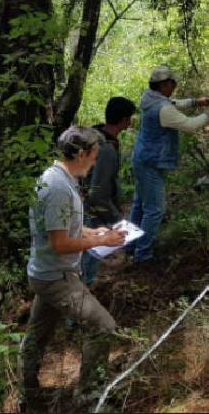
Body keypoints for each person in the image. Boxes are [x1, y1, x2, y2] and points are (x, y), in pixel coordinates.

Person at [20, 127, 128, 410]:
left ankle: (27, 393)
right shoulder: (58, 188)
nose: (94, 163)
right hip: (57, 276)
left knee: (37, 335)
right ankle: (90, 398)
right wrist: (103, 240)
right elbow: (59, 243)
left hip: (45, 272)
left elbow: (66, 229)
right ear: (81, 154)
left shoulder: (57, 179)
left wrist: (95, 233)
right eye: (93, 157)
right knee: (103, 326)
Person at [129, 65, 209, 265]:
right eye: (172, 84)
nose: (174, 88)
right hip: (151, 162)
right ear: (164, 84)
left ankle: (130, 246)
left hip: (142, 158)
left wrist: (196, 102)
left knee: (139, 206)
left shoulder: (150, 98)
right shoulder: (163, 108)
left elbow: (175, 103)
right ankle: (143, 255)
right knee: (155, 209)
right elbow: (189, 125)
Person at [80, 96, 137, 286]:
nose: (130, 122)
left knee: (81, 260)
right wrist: (115, 220)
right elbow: (98, 192)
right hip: (93, 212)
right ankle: (77, 309)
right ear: (123, 120)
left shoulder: (94, 136)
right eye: (129, 118)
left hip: (81, 206)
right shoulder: (106, 149)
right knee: (87, 263)